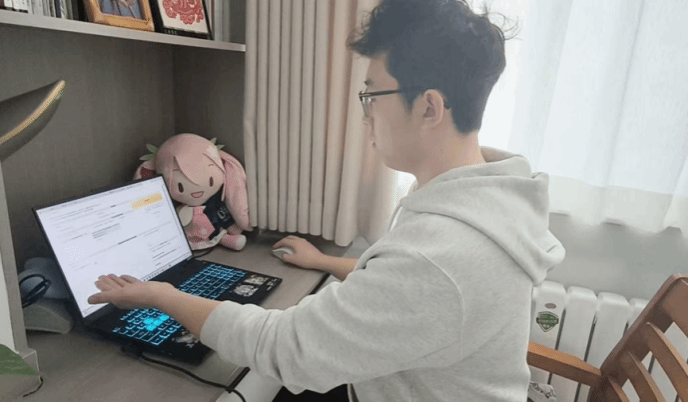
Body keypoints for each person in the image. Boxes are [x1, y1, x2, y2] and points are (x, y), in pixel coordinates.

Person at [88, 0, 566, 401]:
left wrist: (162, 296)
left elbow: (288, 349)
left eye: (372, 95)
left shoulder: (441, 254)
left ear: (429, 107)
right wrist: (325, 262)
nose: (366, 114)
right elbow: (404, 287)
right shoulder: (481, 197)